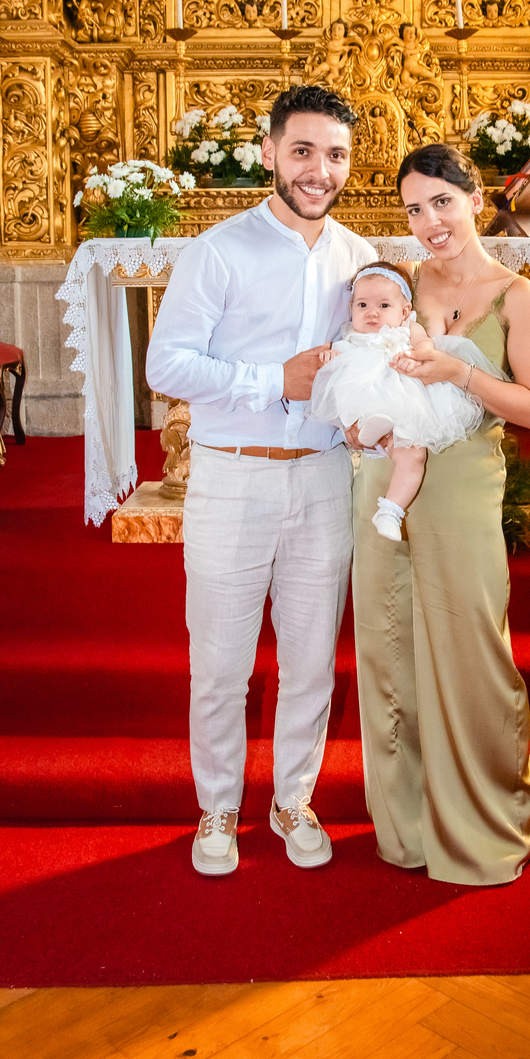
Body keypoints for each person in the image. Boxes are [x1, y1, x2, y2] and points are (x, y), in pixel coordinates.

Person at [145, 85, 375, 878]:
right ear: (270, 152)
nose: (319, 170)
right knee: (220, 663)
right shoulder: (218, 251)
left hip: (323, 478)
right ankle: (217, 805)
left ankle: (292, 800)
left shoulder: (359, 260)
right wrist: (273, 379)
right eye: (303, 151)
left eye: (335, 155)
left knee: (311, 661)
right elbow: (166, 365)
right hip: (232, 477)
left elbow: (363, 366)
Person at [350, 143, 530, 886]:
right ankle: (407, 826)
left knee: (471, 652)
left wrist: (460, 371)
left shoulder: (516, 296)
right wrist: (358, 420)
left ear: (476, 199)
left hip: (464, 487)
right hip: (384, 484)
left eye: (442, 202)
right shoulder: (399, 283)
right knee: (388, 648)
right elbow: (361, 360)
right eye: (415, 209)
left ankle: (482, 824)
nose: (430, 221)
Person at [309, 263, 489, 541]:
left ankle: (391, 510)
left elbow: (425, 347)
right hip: (365, 401)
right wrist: (330, 356)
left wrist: (414, 358)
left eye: (383, 305)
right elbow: (337, 367)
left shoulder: (409, 328)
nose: (372, 313)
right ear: (351, 308)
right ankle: (369, 428)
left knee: (414, 454)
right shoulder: (351, 336)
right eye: (362, 305)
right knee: (363, 410)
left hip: (405, 403)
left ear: (404, 311)